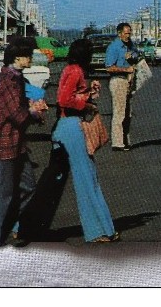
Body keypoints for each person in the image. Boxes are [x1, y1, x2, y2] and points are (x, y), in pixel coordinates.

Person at [0, 36, 48, 246]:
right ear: (17, 58)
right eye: (28, 56)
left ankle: (9, 227)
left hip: (16, 145)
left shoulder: (16, 77)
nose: (31, 60)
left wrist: (31, 106)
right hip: (4, 143)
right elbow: (15, 114)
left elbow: (19, 106)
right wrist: (33, 111)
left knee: (28, 186)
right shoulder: (8, 80)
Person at [51, 38, 118, 242]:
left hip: (62, 127)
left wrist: (89, 94)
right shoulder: (76, 71)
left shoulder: (69, 69)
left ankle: (25, 226)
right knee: (87, 179)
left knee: (52, 181)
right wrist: (87, 106)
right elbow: (64, 99)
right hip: (72, 127)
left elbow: (71, 96)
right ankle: (98, 231)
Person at [105, 22, 141, 151]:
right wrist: (126, 70)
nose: (128, 35)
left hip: (129, 82)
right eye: (126, 33)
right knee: (119, 112)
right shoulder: (114, 47)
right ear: (119, 33)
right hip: (118, 80)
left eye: (130, 33)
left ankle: (125, 140)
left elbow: (137, 55)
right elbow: (109, 67)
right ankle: (117, 143)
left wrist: (132, 56)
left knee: (128, 113)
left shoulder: (130, 45)